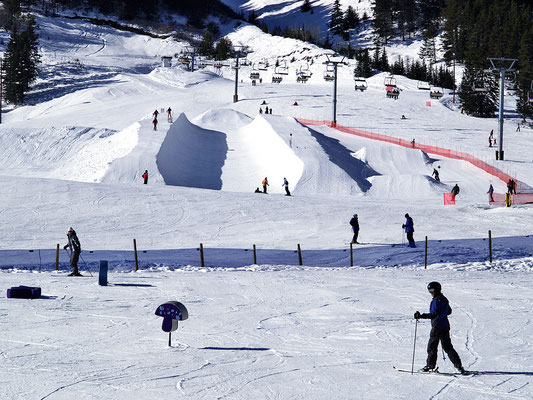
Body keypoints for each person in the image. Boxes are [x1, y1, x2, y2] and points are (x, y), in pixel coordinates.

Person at [414, 282, 466, 375]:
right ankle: (458, 366)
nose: (430, 292)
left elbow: (434, 314)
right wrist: (442, 314)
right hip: (445, 326)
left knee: (432, 347)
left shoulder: (436, 300)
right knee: (447, 347)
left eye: (431, 290)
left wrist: (421, 316)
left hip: (437, 327)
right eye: (429, 290)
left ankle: (430, 365)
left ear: (437, 289)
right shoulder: (444, 299)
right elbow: (449, 311)